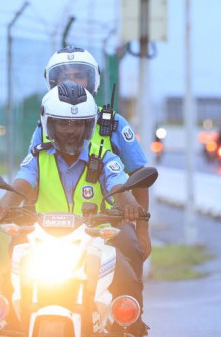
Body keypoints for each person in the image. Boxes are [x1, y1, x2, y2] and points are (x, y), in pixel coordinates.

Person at [0, 82, 150, 337]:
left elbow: (118, 183)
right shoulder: (38, 156)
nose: (71, 131)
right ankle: (12, 336)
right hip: (44, 237)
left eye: (78, 124)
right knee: (9, 273)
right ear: (49, 124)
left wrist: (128, 205)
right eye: (63, 123)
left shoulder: (104, 155)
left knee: (126, 275)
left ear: (89, 126)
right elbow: (21, 182)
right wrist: (5, 204)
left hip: (94, 237)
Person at [31, 46, 152, 281]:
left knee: (130, 252)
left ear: (92, 80)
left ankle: (130, 307)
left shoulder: (113, 123)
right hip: (51, 226)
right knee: (16, 257)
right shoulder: (46, 124)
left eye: (79, 75)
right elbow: (33, 171)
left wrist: (142, 229)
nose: (72, 82)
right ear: (52, 82)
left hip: (106, 224)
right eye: (64, 77)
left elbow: (139, 174)